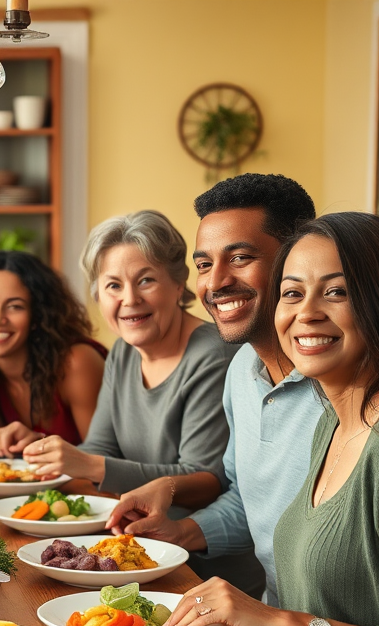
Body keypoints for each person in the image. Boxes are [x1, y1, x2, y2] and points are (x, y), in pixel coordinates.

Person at [162, 212, 379, 626]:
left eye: (337, 292)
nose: (305, 313)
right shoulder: (334, 419)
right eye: (292, 293)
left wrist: (279, 623)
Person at [107, 173, 317, 600]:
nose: (216, 282)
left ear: (297, 260)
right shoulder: (242, 369)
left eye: (239, 257)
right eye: (204, 265)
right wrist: (179, 532)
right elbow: (249, 502)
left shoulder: (343, 387)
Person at [13, 211, 236, 513]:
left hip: (194, 550)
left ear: (178, 284)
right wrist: (48, 452)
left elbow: (206, 481)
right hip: (135, 533)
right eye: (113, 286)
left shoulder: (213, 354)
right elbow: (99, 451)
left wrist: (91, 465)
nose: (129, 299)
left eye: (145, 280)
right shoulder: (123, 352)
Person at [0, 251, 105, 449]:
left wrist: (38, 444)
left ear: (37, 316)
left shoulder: (76, 363)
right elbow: (10, 460)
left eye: (15, 306)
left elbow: (104, 459)